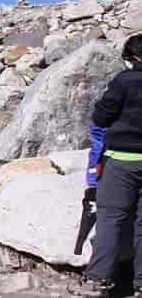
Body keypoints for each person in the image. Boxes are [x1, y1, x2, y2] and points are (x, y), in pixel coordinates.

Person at [70, 33, 142, 297]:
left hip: (121, 161)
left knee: (111, 219)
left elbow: (101, 117)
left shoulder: (123, 81)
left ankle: (99, 280)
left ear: (131, 57)